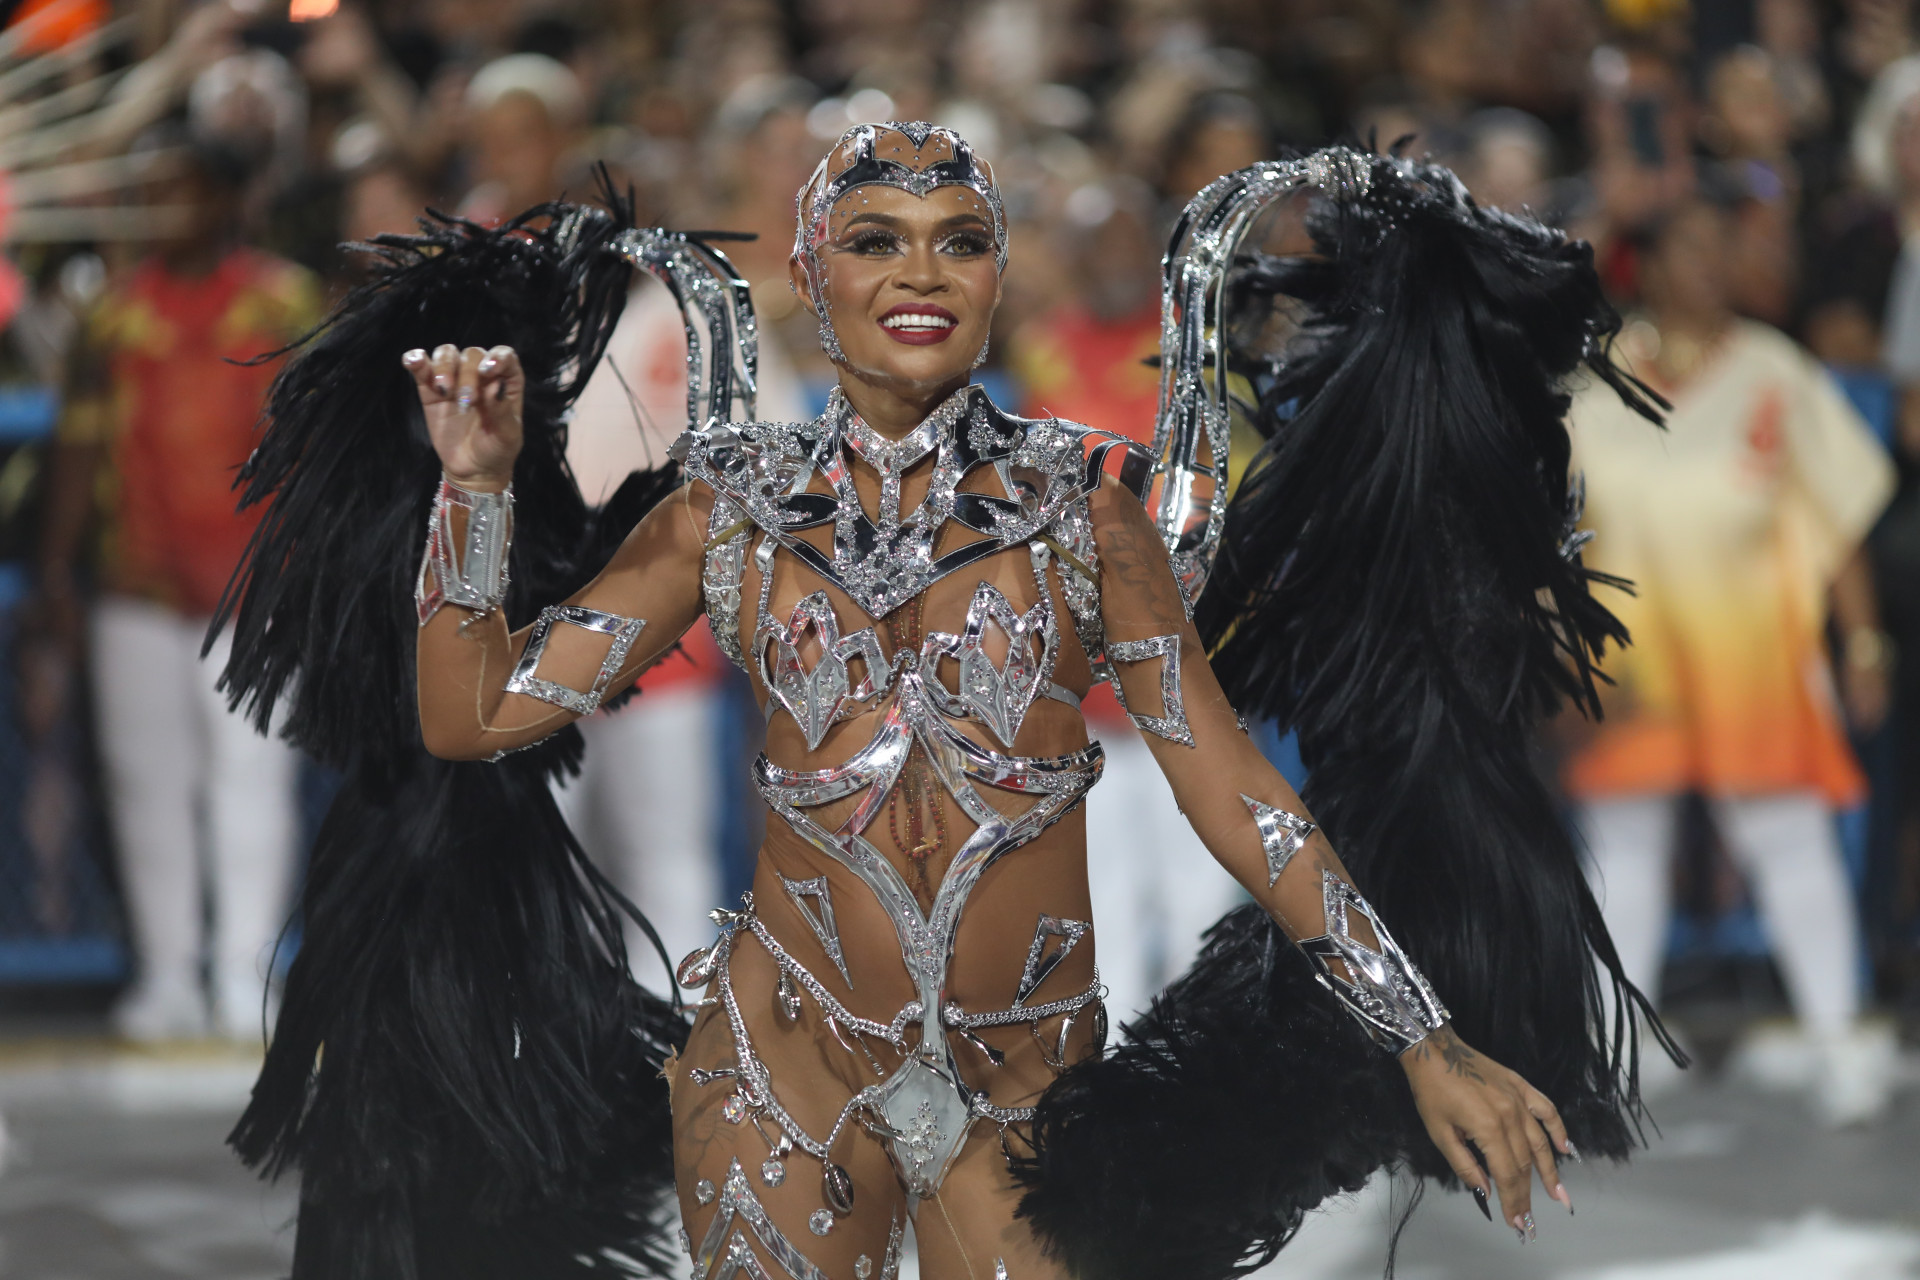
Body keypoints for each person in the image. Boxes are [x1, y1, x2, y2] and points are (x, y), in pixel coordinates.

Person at [218, 132, 1662, 1279]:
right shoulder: (725, 515)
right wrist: (473, 493)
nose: (921, 272)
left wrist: (1423, 1035)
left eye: (959, 240)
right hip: (778, 1067)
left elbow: (1239, 794)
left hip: (1027, 1084)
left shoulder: (1091, 521)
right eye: (874, 241)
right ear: (811, 269)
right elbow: (476, 716)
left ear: (998, 276)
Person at [1565, 197, 1899, 1125]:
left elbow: (1836, 518)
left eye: (1728, 245)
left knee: (1790, 843)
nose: (1717, 262)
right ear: (1652, 264)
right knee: (1625, 852)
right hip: (1628, 661)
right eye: (1697, 243)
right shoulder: (1595, 375)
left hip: (1756, 650)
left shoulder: (1775, 368)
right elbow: (1548, 521)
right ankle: (1621, 1053)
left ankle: (1838, 1039)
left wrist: (1864, 641)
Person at [33, 136, 320, 1042]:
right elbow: (78, 444)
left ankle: (243, 971)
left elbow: (311, 450)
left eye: (184, 188)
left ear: (226, 198)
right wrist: (55, 568)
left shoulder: (280, 300)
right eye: (152, 194)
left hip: (254, 585)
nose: (169, 208)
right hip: (136, 583)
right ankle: (165, 971)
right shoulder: (112, 315)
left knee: (252, 780)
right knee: (144, 782)